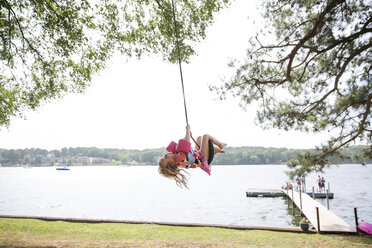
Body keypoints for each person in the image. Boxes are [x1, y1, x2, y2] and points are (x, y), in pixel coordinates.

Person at [158, 125, 226, 188]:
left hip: (199, 154)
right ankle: (220, 144)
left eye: (164, 155)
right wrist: (187, 130)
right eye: (166, 157)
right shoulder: (180, 159)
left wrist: (188, 135)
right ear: (172, 163)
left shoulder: (177, 158)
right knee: (206, 136)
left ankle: (215, 150)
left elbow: (182, 144)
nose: (166, 154)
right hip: (204, 159)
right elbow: (185, 143)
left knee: (199, 138)